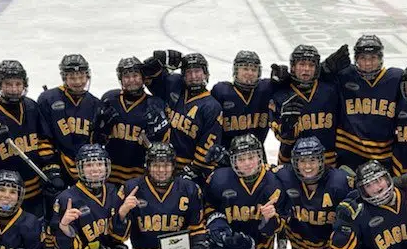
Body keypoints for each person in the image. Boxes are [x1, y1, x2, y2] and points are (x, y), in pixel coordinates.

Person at [0, 60, 64, 218]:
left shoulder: (32, 107)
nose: (13, 89)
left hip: (34, 194)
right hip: (2, 196)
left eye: (18, 84)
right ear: (0, 84)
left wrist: (53, 172)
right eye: (8, 84)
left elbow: (44, 142)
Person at [276, 136, 353, 249]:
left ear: (321, 160)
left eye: (312, 160)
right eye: (302, 161)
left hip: (334, 245)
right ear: (295, 162)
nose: (308, 166)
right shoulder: (285, 176)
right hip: (303, 247)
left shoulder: (339, 182)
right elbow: (260, 174)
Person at [205, 134, 284, 249]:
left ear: (260, 156)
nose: (247, 163)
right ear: (233, 161)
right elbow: (208, 208)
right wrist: (222, 232)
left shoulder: (274, 181)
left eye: (251, 157)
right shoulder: (220, 179)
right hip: (228, 243)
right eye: (241, 159)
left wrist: (269, 220)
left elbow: (278, 226)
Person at [323, 35, 402, 171]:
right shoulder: (344, 75)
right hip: (348, 155)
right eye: (363, 58)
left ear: (381, 58)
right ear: (356, 59)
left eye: (373, 58)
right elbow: (314, 84)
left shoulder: (396, 78)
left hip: (383, 158)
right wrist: (325, 68)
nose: (368, 63)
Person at [143, 50, 223, 181]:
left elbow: (208, 147)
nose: (193, 76)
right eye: (189, 72)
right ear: (183, 76)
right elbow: (146, 74)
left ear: (206, 74)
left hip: (188, 170)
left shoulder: (211, 106)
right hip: (160, 164)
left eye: (197, 71)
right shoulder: (175, 85)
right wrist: (160, 60)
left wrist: (193, 170)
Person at [93, 57, 170, 185]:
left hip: (140, 177)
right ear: (121, 79)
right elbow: (96, 140)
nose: (131, 80)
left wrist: (154, 135)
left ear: (143, 77)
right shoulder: (109, 100)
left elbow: (164, 145)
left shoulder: (155, 104)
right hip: (109, 176)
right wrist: (101, 127)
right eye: (127, 77)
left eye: (135, 75)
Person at [269, 45, 340, 167]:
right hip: (291, 163)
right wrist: (288, 129)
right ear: (293, 67)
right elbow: (279, 134)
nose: (306, 69)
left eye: (311, 65)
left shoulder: (331, 90)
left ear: (317, 68)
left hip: (327, 162)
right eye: (302, 64)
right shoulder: (280, 93)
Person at [37, 54, 99, 183]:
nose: (77, 82)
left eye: (81, 77)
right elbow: (43, 136)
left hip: (85, 169)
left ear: (87, 76)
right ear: (64, 78)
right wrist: (51, 168)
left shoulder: (95, 104)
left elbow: (95, 141)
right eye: (72, 77)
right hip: (58, 167)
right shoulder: (48, 99)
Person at [211, 50, 273, 149]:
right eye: (245, 68)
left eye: (254, 70)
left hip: (256, 156)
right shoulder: (220, 91)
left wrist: (284, 78)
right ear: (236, 71)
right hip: (226, 156)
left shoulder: (266, 89)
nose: (250, 73)